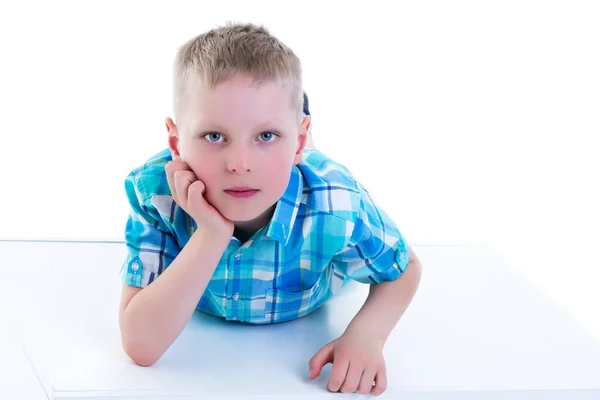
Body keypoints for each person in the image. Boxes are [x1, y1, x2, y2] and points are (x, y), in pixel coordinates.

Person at [118, 22, 422, 396]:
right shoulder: (156, 195)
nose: (240, 163)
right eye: (215, 136)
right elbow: (141, 346)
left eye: (266, 136)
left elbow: (404, 268)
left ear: (299, 142)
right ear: (176, 143)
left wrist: (366, 335)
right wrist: (212, 235)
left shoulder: (336, 204)